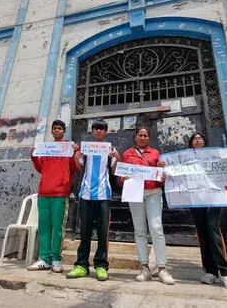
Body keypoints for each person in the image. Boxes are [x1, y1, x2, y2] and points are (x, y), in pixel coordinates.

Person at [66, 120, 120, 281]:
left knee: (103, 233)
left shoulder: (111, 149)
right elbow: (80, 168)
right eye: (96, 129)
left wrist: (118, 157)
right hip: (86, 194)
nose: (98, 131)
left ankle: (101, 266)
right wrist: (76, 158)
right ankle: (81, 265)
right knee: (85, 231)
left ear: (105, 132)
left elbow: (115, 170)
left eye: (101, 129)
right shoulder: (86, 148)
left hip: (104, 195)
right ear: (93, 131)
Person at [120, 127, 175, 285]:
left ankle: (162, 268)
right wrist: (122, 178)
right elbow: (122, 176)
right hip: (135, 193)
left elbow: (161, 178)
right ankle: (145, 268)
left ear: (149, 138)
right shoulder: (127, 154)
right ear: (135, 137)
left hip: (153, 192)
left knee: (156, 227)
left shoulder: (156, 154)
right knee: (139, 230)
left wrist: (161, 170)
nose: (142, 137)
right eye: (140, 135)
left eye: (145, 135)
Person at [187, 132, 227, 290]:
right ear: (191, 144)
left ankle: (225, 271)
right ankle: (210, 270)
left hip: (215, 198)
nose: (198, 140)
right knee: (202, 232)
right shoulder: (185, 159)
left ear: (204, 142)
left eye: (200, 138)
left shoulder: (214, 156)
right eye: (195, 138)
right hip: (196, 199)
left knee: (213, 228)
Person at [28, 120, 78, 273]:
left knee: (58, 227)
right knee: (44, 226)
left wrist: (76, 153)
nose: (57, 131)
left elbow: (75, 167)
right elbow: (40, 168)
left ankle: (56, 258)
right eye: (55, 128)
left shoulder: (69, 147)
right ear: (51, 131)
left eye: (60, 128)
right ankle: (44, 259)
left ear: (64, 131)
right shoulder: (46, 149)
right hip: (44, 192)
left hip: (60, 192)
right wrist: (34, 156)